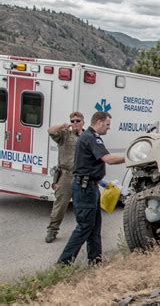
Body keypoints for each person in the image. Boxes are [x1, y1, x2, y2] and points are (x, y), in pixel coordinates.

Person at [57, 111, 125, 265]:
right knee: (85, 227)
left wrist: (101, 182)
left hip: (90, 186)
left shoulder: (90, 137)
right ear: (99, 122)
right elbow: (108, 159)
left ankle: (95, 261)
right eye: (107, 125)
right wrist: (131, 156)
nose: (108, 129)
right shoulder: (90, 137)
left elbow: (88, 165)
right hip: (84, 188)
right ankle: (63, 263)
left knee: (94, 227)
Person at [45, 112, 85, 243]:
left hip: (82, 175)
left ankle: (86, 231)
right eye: (72, 121)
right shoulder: (65, 135)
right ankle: (52, 230)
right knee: (60, 204)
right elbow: (50, 131)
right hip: (66, 175)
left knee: (85, 205)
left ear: (83, 122)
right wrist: (63, 126)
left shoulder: (87, 137)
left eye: (77, 121)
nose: (75, 123)